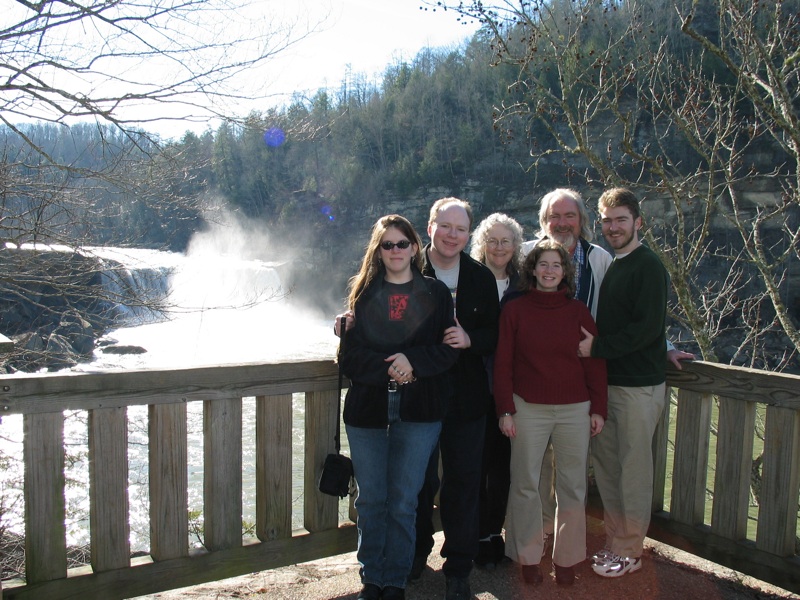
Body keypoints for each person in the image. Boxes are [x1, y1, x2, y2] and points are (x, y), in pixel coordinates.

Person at [522, 188, 695, 543]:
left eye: (570, 215)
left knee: (596, 470)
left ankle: (616, 547)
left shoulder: (603, 259)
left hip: (590, 383)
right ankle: (540, 535)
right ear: (543, 221)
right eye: (555, 215)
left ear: (582, 222)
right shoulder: (528, 255)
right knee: (551, 467)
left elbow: (636, 321)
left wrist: (663, 345)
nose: (562, 222)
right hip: (538, 384)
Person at [339, 214, 460, 600]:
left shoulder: (436, 294)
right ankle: (371, 578)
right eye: (387, 245)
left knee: (405, 501)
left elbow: (447, 350)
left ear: (414, 247)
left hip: (420, 410)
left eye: (402, 243)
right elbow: (350, 357)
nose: (395, 251)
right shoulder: (364, 293)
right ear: (378, 250)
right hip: (368, 410)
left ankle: (395, 580)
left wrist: (414, 363)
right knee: (372, 499)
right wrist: (389, 368)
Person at [494, 239, 607, 587]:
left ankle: (568, 558)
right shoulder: (515, 310)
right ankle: (528, 556)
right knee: (526, 483)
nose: (549, 270)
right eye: (543, 264)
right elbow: (503, 364)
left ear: (565, 272)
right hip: (527, 408)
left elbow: (595, 363)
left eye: (556, 265)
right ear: (532, 269)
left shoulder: (577, 311)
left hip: (575, 409)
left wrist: (598, 408)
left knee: (572, 487)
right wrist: (506, 410)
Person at [577, 187, 670, 578]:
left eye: (621, 220)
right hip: (611, 384)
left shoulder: (647, 265)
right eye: (607, 221)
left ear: (638, 222)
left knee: (632, 470)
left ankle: (630, 551)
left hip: (638, 388)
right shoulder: (617, 264)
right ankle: (616, 542)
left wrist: (596, 348)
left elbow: (646, 329)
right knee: (610, 467)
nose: (613, 227)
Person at [413, 197, 500, 600]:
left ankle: (458, 568)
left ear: (469, 233)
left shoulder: (480, 277)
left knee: (463, 485)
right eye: (444, 226)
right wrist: (350, 319)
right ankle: (415, 556)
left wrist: (470, 339)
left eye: (460, 229)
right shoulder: (409, 268)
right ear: (429, 227)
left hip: (467, 401)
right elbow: (379, 309)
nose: (452, 235)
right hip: (419, 397)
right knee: (418, 482)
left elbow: (495, 335)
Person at [468, 212, 524, 570]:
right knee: (475, 466)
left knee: (503, 468)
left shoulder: (524, 284)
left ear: (516, 246)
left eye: (506, 241)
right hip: (474, 388)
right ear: (482, 244)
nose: (499, 247)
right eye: (492, 240)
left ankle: (495, 535)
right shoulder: (470, 279)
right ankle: (475, 537)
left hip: (513, 391)